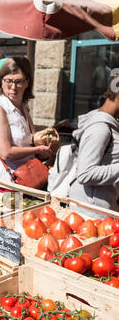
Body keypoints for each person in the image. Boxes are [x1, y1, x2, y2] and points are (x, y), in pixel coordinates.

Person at [0, 56, 55, 182]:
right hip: (5, 182)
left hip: (27, 178)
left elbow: (30, 139)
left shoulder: (23, 108)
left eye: (18, 81)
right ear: (1, 81)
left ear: (27, 82)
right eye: (8, 81)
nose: (13, 87)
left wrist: (46, 142)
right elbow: (6, 152)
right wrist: (37, 149)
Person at [68, 74, 119, 218]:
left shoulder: (108, 122)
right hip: (90, 214)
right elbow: (85, 174)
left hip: (100, 209)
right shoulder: (100, 128)